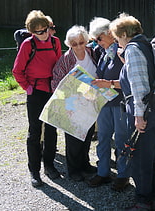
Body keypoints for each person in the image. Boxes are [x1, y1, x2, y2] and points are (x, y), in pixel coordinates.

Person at [109, 14, 155, 210]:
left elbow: (139, 86)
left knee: (140, 159)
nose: (118, 41)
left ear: (125, 34)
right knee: (149, 156)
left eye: (118, 37)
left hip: (145, 112)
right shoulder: (145, 45)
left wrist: (138, 116)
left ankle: (143, 201)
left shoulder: (133, 50)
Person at [12, 10, 62, 187]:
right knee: (35, 132)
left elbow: (58, 65)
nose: (43, 34)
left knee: (51, 130)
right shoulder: (28, 44)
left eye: (45, 29)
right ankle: (34, 171)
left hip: (52, 89)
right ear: (32, 32)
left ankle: (49, 165)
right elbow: (17, 71)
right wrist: (28, 88)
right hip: (36, 92)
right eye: (38, 32)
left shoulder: (55, 42)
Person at [86, 17, 129, 191]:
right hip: (105, 103)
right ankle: (103, 172)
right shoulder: (104, 53)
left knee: (121, 140)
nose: (97, 43)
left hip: (120, 104)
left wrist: (109, 83)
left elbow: (130, 80)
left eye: (99, 39)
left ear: (110, 34)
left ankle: (123, 175)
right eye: (95, 40)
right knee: (103, 138)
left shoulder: (122, 52)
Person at [51, 25, 98, 182]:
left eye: (81, 42)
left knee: (88, 134)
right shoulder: (66, 59)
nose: (78, 46)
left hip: (91, 101)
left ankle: (85, 164)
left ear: (86, 41)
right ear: (69, 44)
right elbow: (56, 81)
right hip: (73, 102)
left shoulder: (92, 53)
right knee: (73, 138)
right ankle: (73, 169)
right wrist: (67, 100)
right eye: (74, 44)